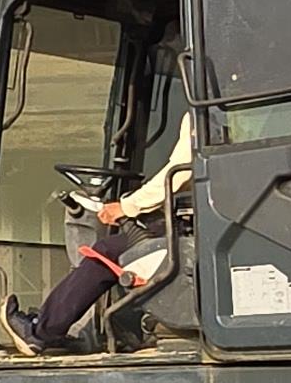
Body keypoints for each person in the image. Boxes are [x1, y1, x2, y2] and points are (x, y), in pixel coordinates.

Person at [11, 103, 191, 352]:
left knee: (107, 250)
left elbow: (178, 172)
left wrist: (128, 206)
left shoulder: (203, 112)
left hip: (198, 232)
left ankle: (42, 331)